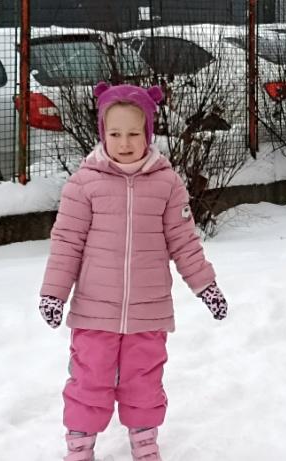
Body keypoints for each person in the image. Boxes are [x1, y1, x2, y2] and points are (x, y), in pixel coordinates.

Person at [38, 82, 229, 461]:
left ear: (148, 133)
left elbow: (183, 241)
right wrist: (54, 293)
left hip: (148, 310)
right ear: (102, 133)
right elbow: (67, 242)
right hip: (95, 310)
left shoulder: (167, 183)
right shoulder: (84, 183)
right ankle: (79, 448)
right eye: (115, 134)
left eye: (133, 134)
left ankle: (144, 444)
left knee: (144, 381)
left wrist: (206, 285)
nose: (124, 143)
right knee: (89, 379)